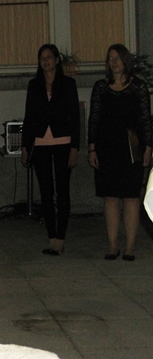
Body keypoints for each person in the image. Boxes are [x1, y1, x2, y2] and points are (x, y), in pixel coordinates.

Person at [87, 44, 153, 261]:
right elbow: (94, 119)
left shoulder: (138, 87)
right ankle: (113, 245)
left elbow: (146, 120)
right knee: (111, 197)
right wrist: (92, 148)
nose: (113, 62)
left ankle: (130, 246)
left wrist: (148, 147)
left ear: (125, 60)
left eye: (117, 58)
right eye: (110, 58)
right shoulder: (101, 87)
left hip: (132, 148)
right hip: (107, 147)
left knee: (131, 197)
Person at [21, 44, 80, 256]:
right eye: (42, 58)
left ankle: (61, 238)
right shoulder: (34, 85)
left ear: (57, 60)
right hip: (40, 143)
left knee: (62, 191)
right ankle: (51, 237)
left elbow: (75, 117)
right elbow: (29, 116)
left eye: (49, 57)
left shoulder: (68, 84)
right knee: (46, 192)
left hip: (63, 141)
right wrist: (25, 146)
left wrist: (75, 147)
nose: (46, 61)